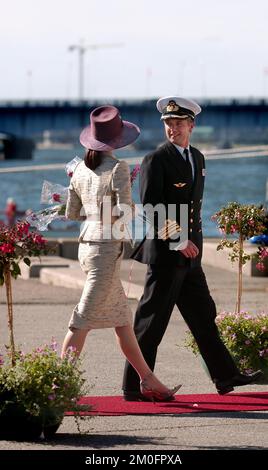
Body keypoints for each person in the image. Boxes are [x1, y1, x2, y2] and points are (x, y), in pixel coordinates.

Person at [122, 96, 262, 400]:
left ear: (191, 125)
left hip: (191, 256)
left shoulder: (198, 157)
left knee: (204, 316)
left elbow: (193, 205)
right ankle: (133, 387)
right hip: (167, 254)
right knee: (151, 322)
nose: (173, 128)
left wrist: (191, 241)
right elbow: (149, 206)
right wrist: (177, 239)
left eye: (178, 123)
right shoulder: (155, 160)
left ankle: (225, 376)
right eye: (168, 124)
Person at [61, 105, 181, 401]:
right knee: (82, 318)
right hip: (106, 251)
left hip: (86, 247)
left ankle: (149, 381)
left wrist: (97, 207)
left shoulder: (77, 169)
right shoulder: (119, 168)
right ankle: (56, 385)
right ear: (117, 141)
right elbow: (124, 213)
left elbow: (72, 213)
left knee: (123, 321)